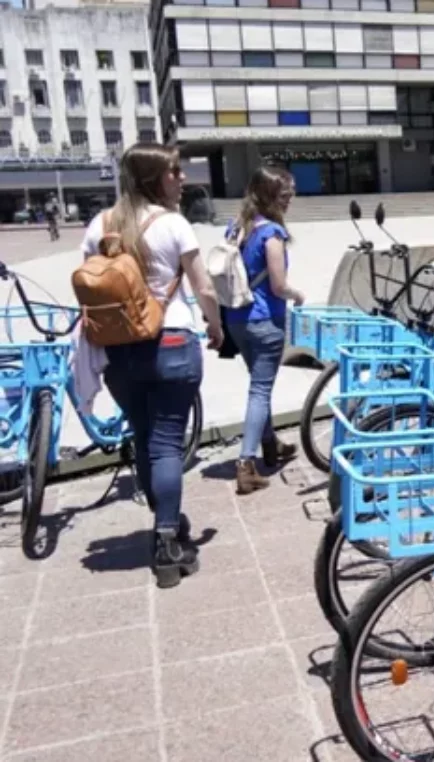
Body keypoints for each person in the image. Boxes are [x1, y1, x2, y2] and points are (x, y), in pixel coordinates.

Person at [81, 142, 224, 589]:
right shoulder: (174, 224)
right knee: (166, 443)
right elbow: (204, 288)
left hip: (118, 353)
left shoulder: (99, 226)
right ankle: (167, 542)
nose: (181, 179)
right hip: (173, 343)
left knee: (144, 435)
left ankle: (165, 518)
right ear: (152, 179)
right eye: (173, 172)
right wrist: (217, 328)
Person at [223, 165, 306, 494]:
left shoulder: (236, 228)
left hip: (237, 319)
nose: (290, 200)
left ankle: (270, 444)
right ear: (270, 197)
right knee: (260, 390)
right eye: (286, 194)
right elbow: (278, 285)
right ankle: (246, 464)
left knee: (260, 385)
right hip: (265, 320)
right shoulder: (272, 234)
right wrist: (298, 294)